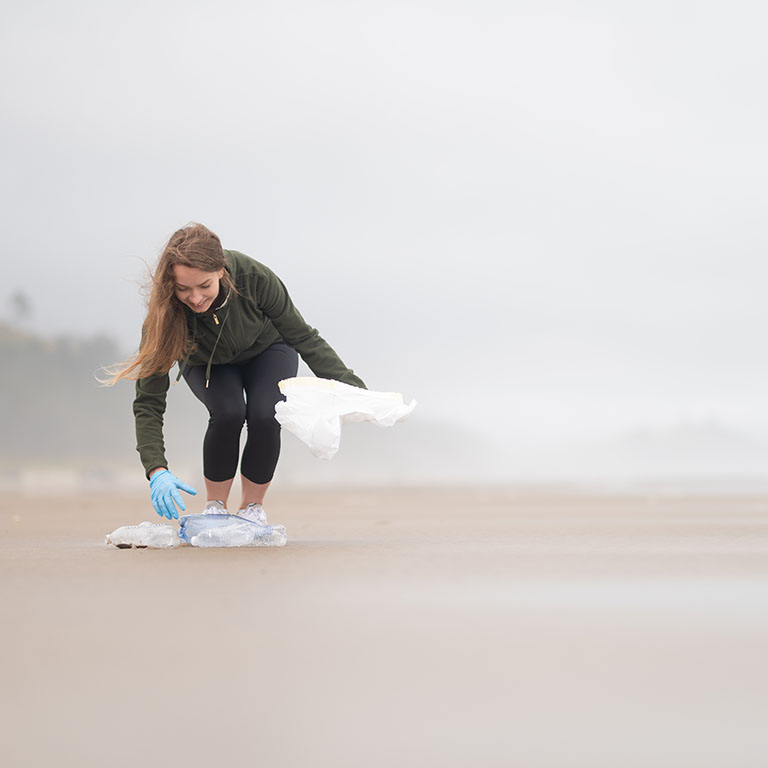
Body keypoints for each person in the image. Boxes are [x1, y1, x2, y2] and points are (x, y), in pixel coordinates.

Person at [106, 222, 366, 523]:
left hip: (269, 348)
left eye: (204, 286)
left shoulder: (255, 278)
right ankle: (215, 506)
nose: (195, 298)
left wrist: (350, 386)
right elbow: (149, 401)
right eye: (183, 289)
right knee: (228, 412)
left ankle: (252, 509)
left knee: (266, 414)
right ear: (170, 284)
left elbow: (304, 337)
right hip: (205, 362)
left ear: (221, 271)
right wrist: (156, 470)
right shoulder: (164, 316)